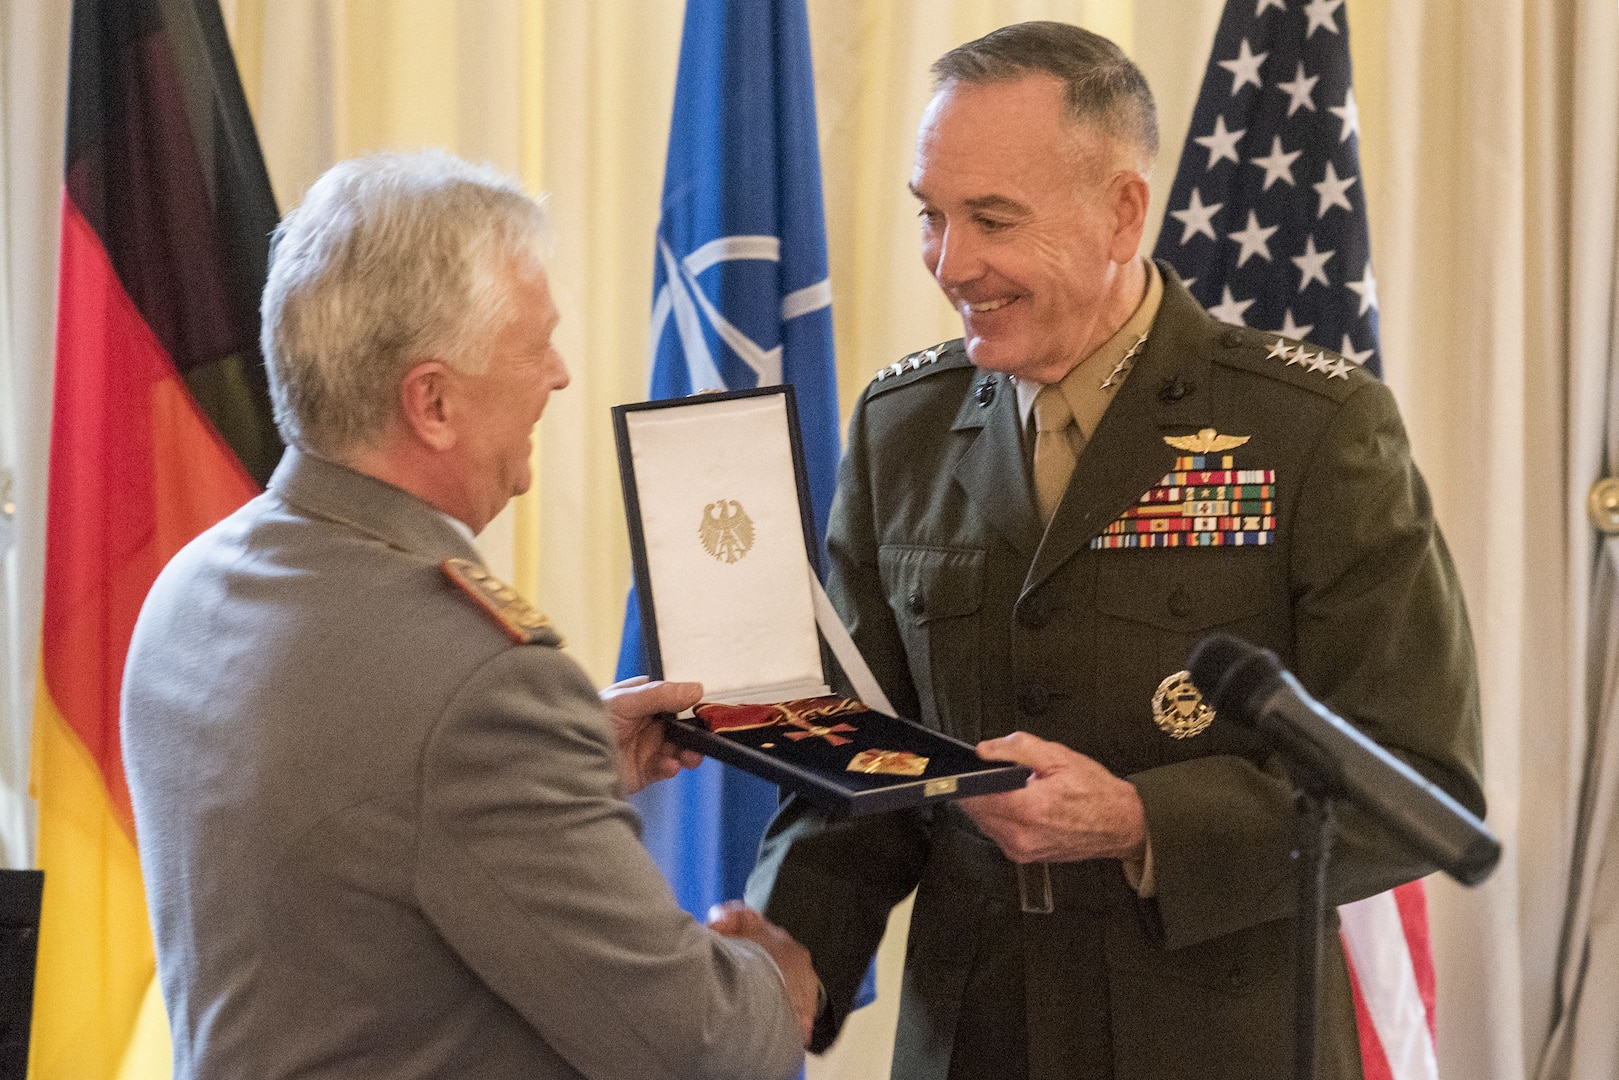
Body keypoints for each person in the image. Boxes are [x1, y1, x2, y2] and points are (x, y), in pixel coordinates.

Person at [746, 22, 1484, 1080]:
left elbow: (1420, 782)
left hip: (1221, 1045)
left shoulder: (1308, 428)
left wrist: (1141, 822)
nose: (950, 264)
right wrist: (789, 956)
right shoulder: (899, 427)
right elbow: (864, 756)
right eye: (931, 216)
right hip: (975, 1040)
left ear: (1121, 210)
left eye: (991, 219)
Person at [122, 150, 816, 1080]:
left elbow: (349, 846)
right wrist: (778, 984)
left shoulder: (190, 587)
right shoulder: (483, 682)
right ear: (434, 402)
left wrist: (564, 766)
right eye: (536, 345)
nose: (560, 376)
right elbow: (696, 1046)